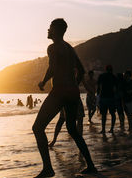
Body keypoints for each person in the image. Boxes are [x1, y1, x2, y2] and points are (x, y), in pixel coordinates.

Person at [32, 18, 96, 177]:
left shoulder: (53, 47)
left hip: (60, 90)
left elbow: (52, 67)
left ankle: (48, 169)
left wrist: (43, 82)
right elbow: (81, 70)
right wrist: (72, 83)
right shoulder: (69, 48)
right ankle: (91, 165)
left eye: (50, 28)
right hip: (73, 92)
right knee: (73, 130)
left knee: (38, 127)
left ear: (56, 30)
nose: (48, 30)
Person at [97, 65, 117, 133]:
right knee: (112, 114)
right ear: (112, 70)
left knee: (103, 115)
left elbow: (98, 87)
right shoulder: (114, 77)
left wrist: (98, 96)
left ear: (105, 69)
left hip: (103, 97)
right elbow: (115, 88)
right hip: (111, 97)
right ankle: (111, 129)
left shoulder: (101, 76)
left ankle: (103, 129)